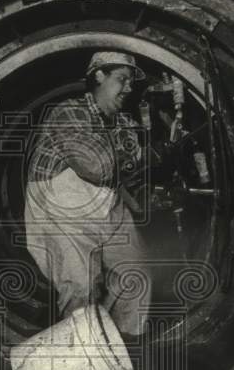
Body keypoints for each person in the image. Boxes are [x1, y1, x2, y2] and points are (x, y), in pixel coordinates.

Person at [23, 50, 151, 337]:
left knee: (136, 274)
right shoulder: (69, 112)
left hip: (105, 204)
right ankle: (85, 363)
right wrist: (132, 155)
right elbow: (94, 166)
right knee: (80, 285)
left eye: (131, 81)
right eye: (122, 79)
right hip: (62, 206)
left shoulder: (122, 122)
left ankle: (123, 346)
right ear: (98, 76)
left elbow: (130, 168)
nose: (129, 87)